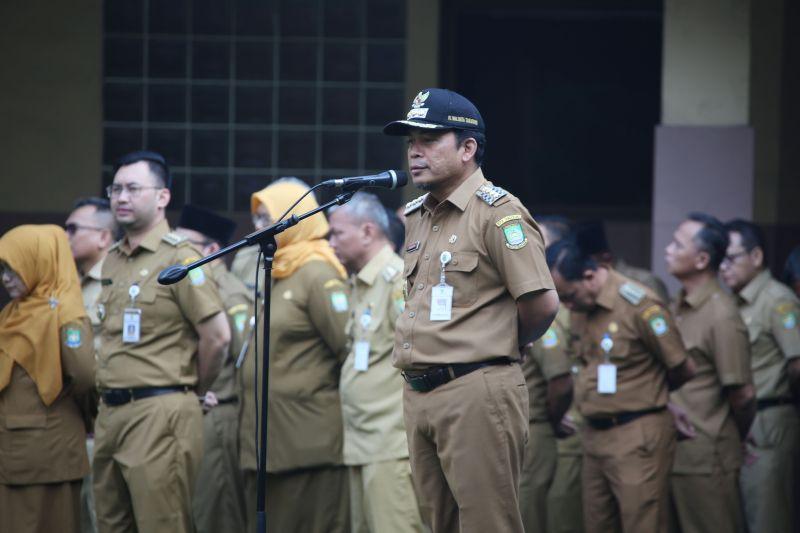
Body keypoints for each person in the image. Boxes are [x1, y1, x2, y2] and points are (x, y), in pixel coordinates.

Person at [384, 88, 559, 532]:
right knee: (439, 524)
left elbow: (541, 304)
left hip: (475, 389)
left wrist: (494, 343)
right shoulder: (418, 215)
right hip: (420, 392)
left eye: (429, 139)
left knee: (487, 524)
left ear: (468, 148)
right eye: (410, 141)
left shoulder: (498, 214)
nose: (414, 152)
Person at [92, 151, 231, 533]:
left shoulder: (179, 258)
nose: (121, 197)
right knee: (110, 523)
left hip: (160, 410)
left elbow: (217, 337)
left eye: (133, 188)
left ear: (162, 197)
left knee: (162, 524)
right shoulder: (113, 260)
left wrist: (189, 390)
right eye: (115, 188)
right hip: (110, 412)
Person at [548, 238, 695, 533]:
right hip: (594, 434)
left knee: (643, 523)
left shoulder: (639, 304)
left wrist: (652, 393)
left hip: (637, 434)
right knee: (597, 524)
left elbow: (682, 367)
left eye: (570, 295)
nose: (567, 305)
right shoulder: (580, 308)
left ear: (590, 276)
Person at [238, 178, 351, 533]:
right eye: (257, 219)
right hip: (269, 441)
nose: (259, 228)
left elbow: (346, 348)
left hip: (307, 443)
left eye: (267, 218)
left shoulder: (317, 272)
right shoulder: (278, 268)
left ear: (295, 218)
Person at [328, 192, 425, 533]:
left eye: (337, 233)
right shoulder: (360, 282)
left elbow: (423, 355)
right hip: (362, 441)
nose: (330, 243)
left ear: (368, 232)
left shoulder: (396, 279)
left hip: (391, 443)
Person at [0, 225, 95, 533]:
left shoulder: (65, 313)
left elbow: (84, 377)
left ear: (38, 262)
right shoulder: (13, 313)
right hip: (13, 450)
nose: (5, 279)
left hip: (48, 451)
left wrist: (88, 419)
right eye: (2, 270)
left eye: (12, 269)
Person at [665, 212, 755, 533]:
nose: (668, 250)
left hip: (706, 459)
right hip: (674, 456)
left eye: (678, 244)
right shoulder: (677, 306)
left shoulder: (721, 315)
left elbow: (742, 396)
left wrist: (731, 441)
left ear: (702, 259)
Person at [175, 204, 253, 533]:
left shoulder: (230, 291)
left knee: (215, 511)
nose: (176, 252)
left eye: (186, 245)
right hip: (188, 408)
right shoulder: (187, 283)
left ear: (211, 251)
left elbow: (238, 354)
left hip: (217, 410)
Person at [720, 219, 800, 533]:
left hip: (769, 422)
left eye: (731, 258)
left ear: (756, 257)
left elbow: (797, 365)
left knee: (768, 519)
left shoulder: (777, 300)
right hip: (741, 422)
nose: (724, 267)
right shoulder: (732, 303)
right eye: (720, 260)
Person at [65, 196, 118, 533]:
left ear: (103, 237)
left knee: (104, 518)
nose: (65, 235)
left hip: (106, 421)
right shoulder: (67, 283)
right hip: (73, 425)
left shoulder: (116, 282)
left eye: (73, 228)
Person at [518, 215, 574, 533]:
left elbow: (561, 378)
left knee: (539, 512)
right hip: (528, 426)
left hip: (548, 426)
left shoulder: (546, 306)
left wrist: (553, 418)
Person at [575, 220, 670, 303]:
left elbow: (661, 319)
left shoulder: (643, 280)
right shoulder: (585, 284)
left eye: (587, 261)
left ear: (606, 257)